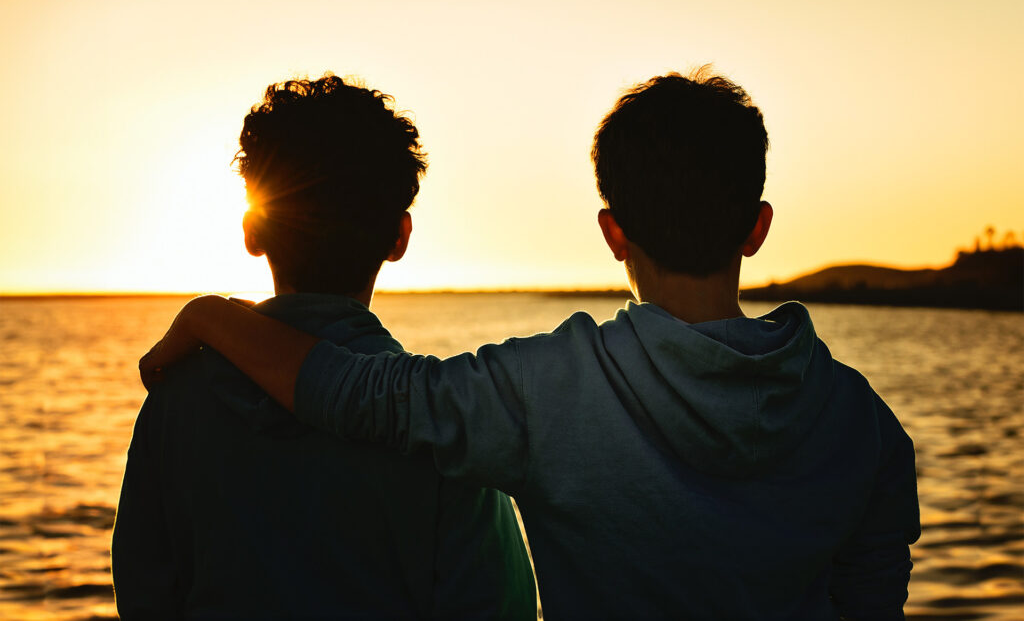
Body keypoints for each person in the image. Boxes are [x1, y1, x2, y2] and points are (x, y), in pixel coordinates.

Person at [141, 68, 921, 619]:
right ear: (758, 226)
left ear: (612, 234)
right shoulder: (866, 427)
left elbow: (359, 397)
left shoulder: (537, 392)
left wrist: (214, 315)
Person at [113, 75, 536, 619]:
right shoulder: (437, 430)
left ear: (252, 232)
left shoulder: (174, 405)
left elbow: (144, 591)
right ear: (399, 238)